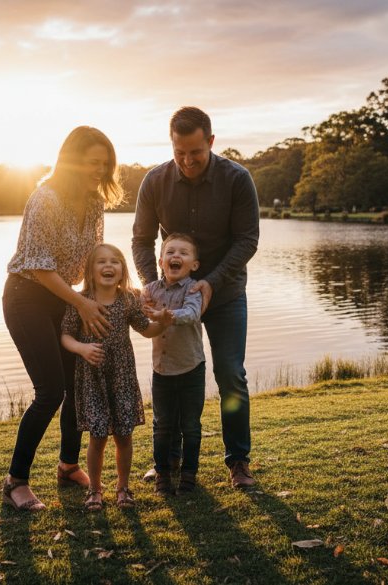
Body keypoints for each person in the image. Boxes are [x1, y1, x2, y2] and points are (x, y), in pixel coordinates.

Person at [132, 106, 261, 488]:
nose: (187, 161)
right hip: (171, 299)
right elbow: (141, 239)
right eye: (179, 153)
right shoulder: (155, 181)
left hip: (225, 293)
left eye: (196, 153)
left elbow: (247, 240)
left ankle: (238, 461)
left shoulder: (237, 179)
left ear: (211, 141)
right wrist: (152, 285)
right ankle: (168, 461)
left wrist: (211, 282)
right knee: (170, 373)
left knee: (230, 374)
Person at [1, 126, 124, 511]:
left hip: (65, 299)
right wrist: (82, 305)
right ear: (71, 162)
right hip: (26, 297)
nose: (99, 171)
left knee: (78, 385)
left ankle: (69, 466)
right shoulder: (45, 199)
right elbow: (40, 268)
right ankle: (15, 481)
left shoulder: (94, 203)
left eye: (105, 165)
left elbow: (93, 260)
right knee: (50, 391)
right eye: (93, 163)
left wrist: (113, 295)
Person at [61, 244, 172, 511]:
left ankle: (123, 488)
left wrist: (164, 322)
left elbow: (146, 329)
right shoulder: (80, 301)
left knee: (124, 435)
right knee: (97, 436)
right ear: (90, 270)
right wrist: (82, 349)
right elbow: (65, 336)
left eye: (115, 261)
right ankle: (95, 490)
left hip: (122, 376)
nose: (108, 266)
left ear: (123, 269)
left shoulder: (128, 300)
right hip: (93, 378)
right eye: (101, 262)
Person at [142, 233, 205, 495]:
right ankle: (163, 474)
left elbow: (191, 313)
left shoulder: (194, 289)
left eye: (183, 253)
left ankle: (189, 475)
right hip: (162, 370)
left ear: (194, 264)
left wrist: (165, 316)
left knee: (190, 426)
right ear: (161, 261)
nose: (175, 256)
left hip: (191, 368)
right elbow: (139, 310)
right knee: (162, 425)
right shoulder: (151, 290)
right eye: (170, 252)